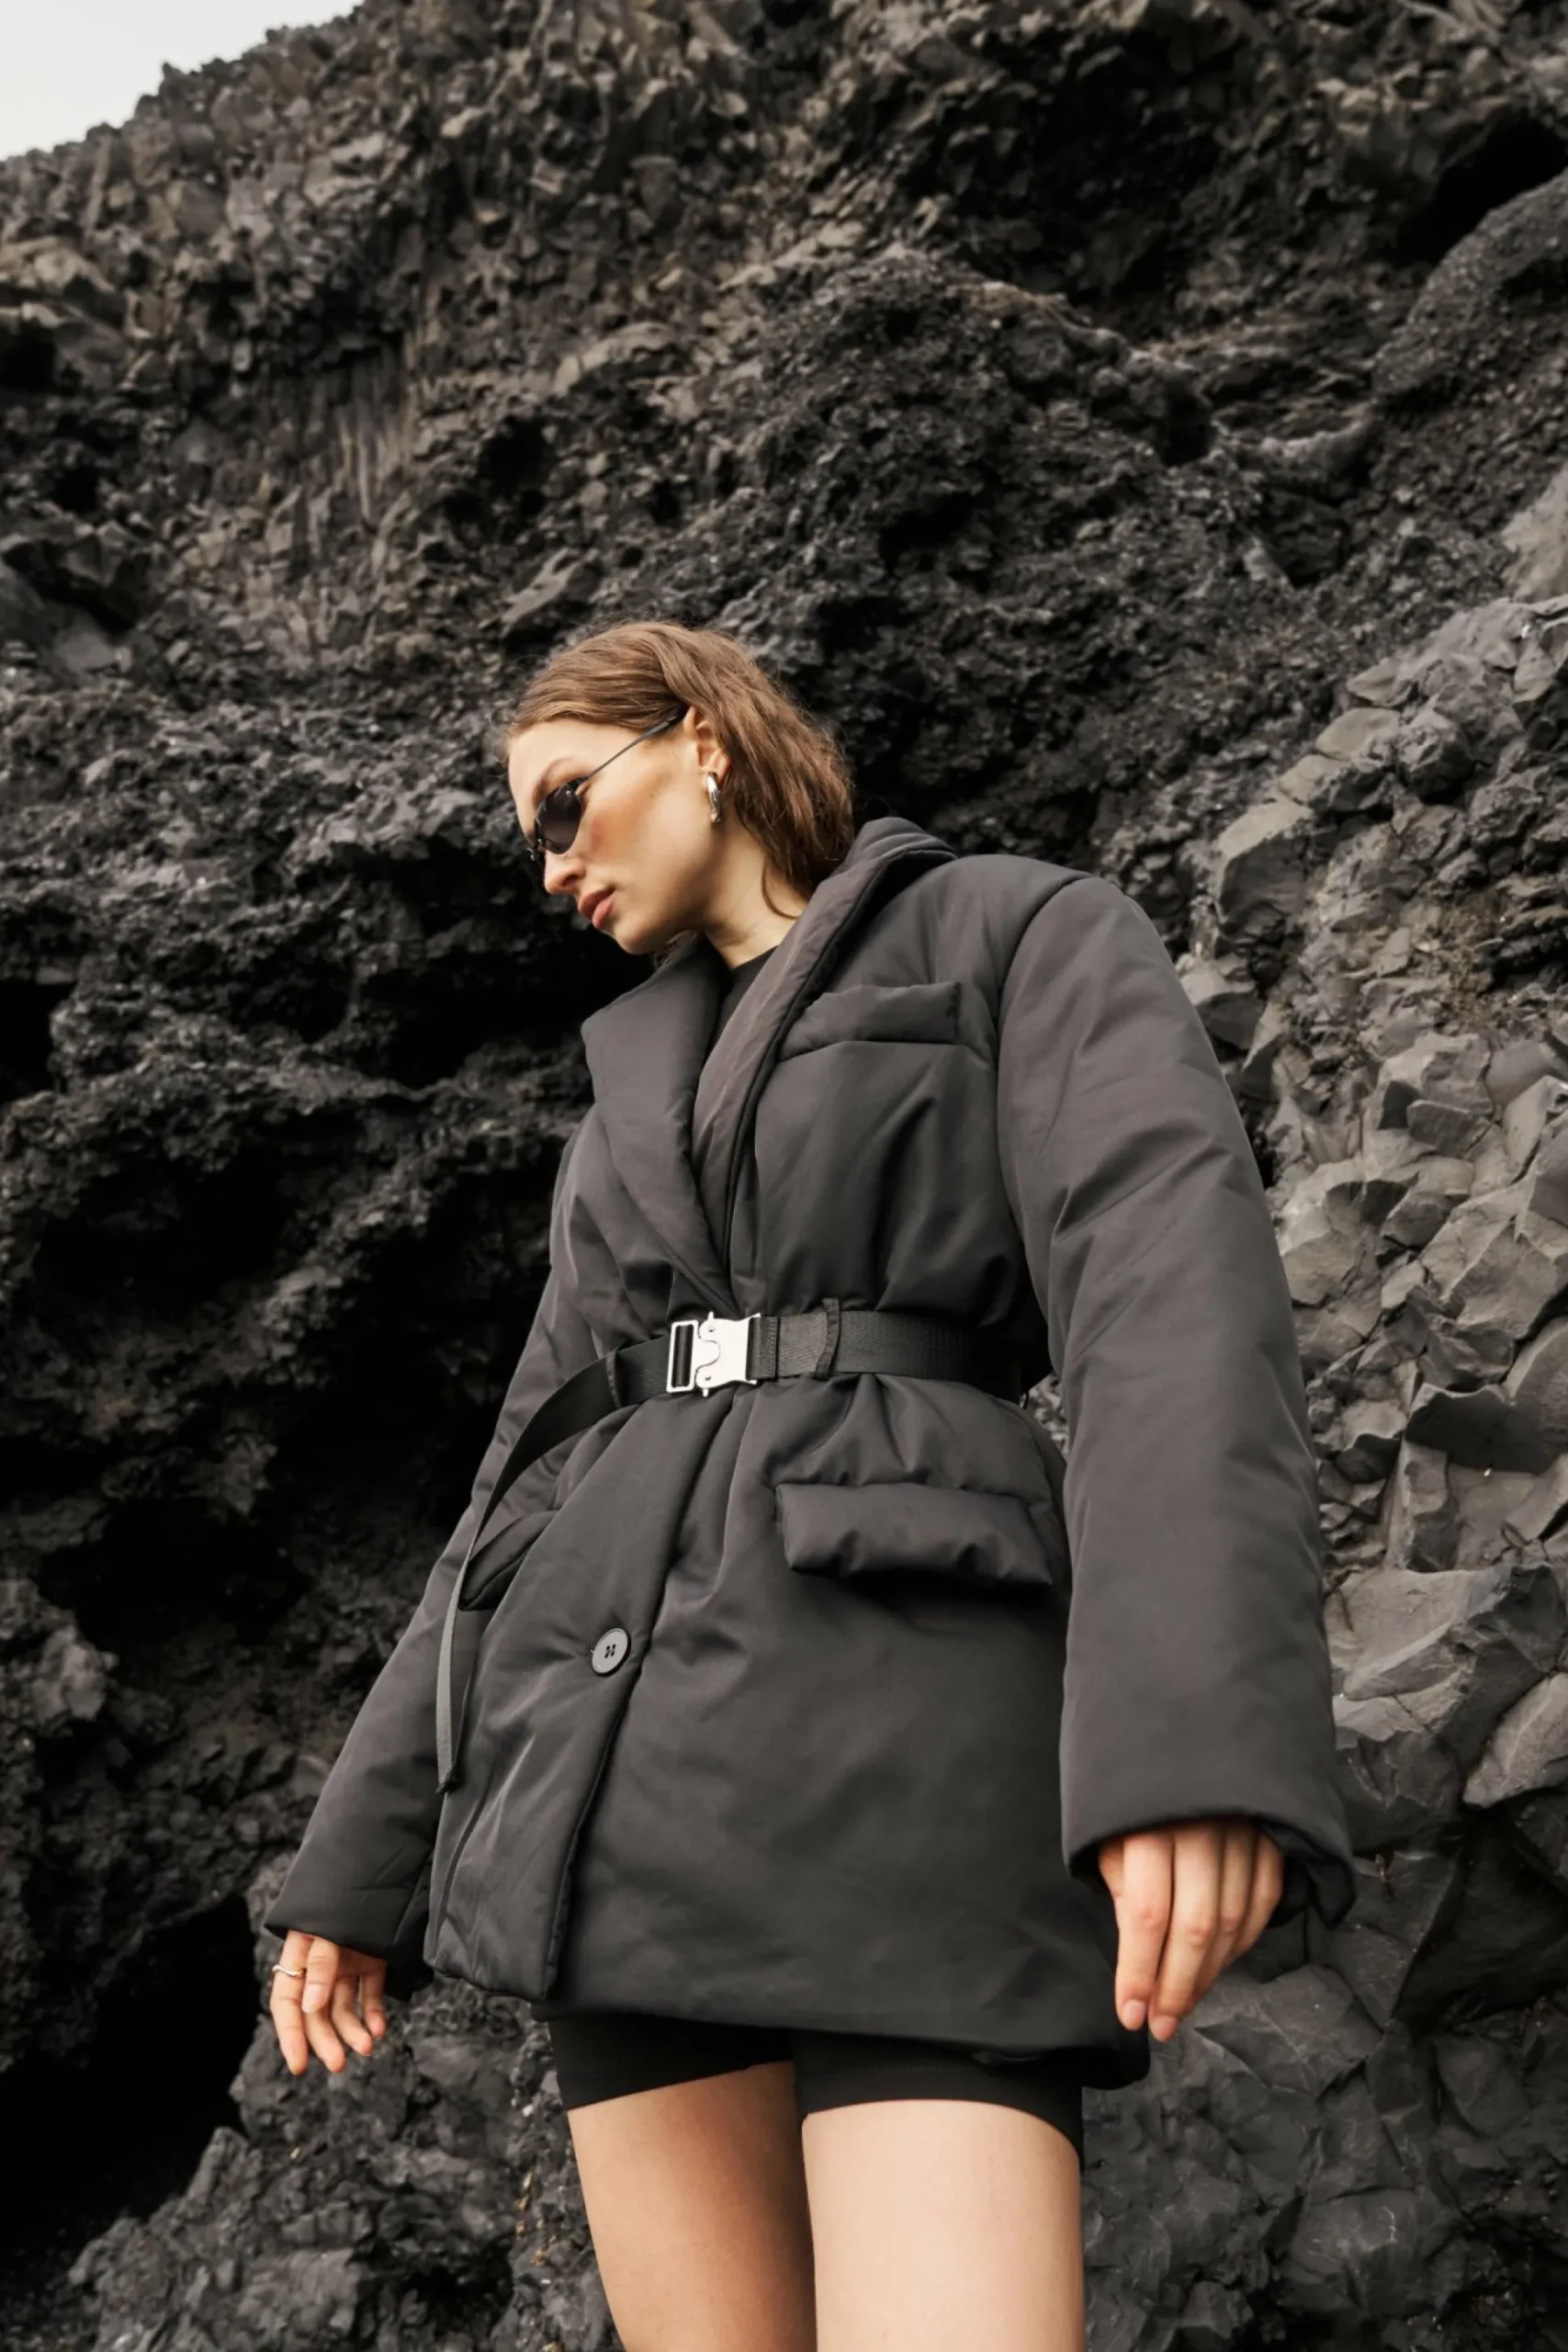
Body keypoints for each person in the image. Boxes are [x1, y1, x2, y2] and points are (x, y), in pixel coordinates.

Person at [265, 619, 1354, 2350]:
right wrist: (360, 1865)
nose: (548, 868)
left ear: (700, 739)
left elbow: (1171, 1320)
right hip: (614, 1796)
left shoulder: (1011, 929)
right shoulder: (624, 1090)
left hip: (906, 1753)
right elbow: (519, 1480)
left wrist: (1193, 1752)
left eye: (563, 805)